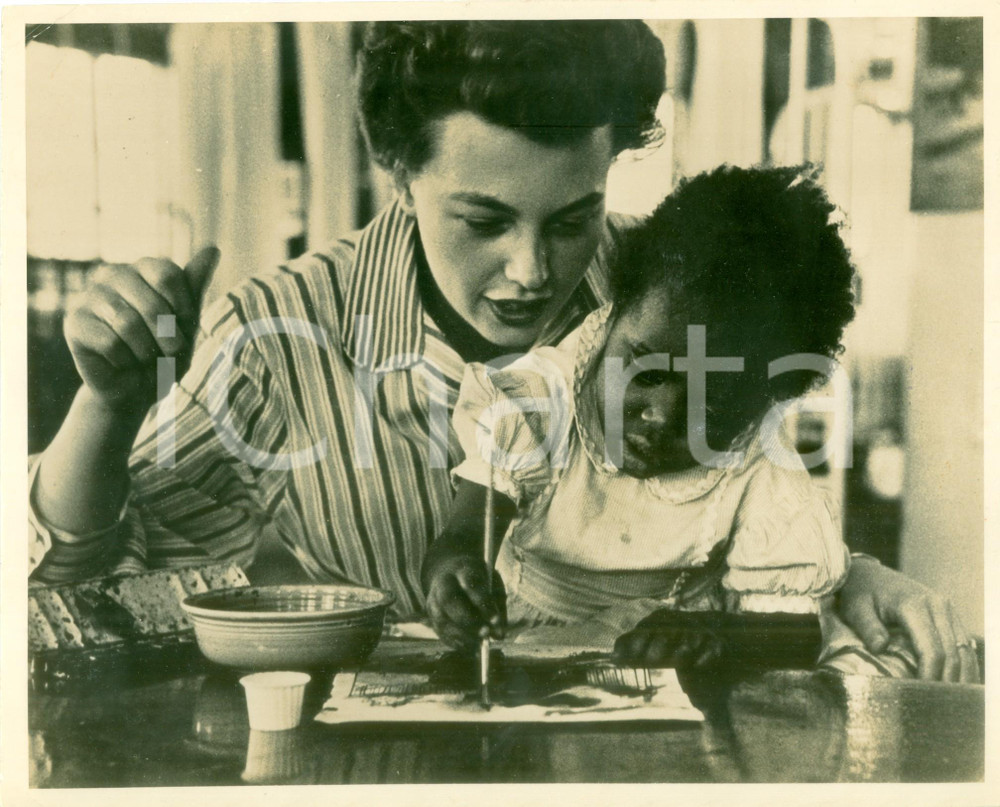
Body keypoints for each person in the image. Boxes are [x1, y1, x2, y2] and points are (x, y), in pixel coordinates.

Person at [28, 21, 977, 683]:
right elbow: (72, 588)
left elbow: (733, 496)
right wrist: (106, 406)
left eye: (574, 217)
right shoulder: (282, 340)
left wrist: (850, 573)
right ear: (398, 170)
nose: (532, 272)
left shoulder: (666, 292)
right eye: (483, 219)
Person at [422, 165, 861, 670]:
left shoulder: (754, 456)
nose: (661, 416)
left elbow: (797, 634)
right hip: (523, 649)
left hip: (673, 659)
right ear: (616, 311)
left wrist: (714, 633)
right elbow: (462, 538)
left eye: (712, 402)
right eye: (647, 372)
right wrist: (454, 576)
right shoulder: (540, 404)